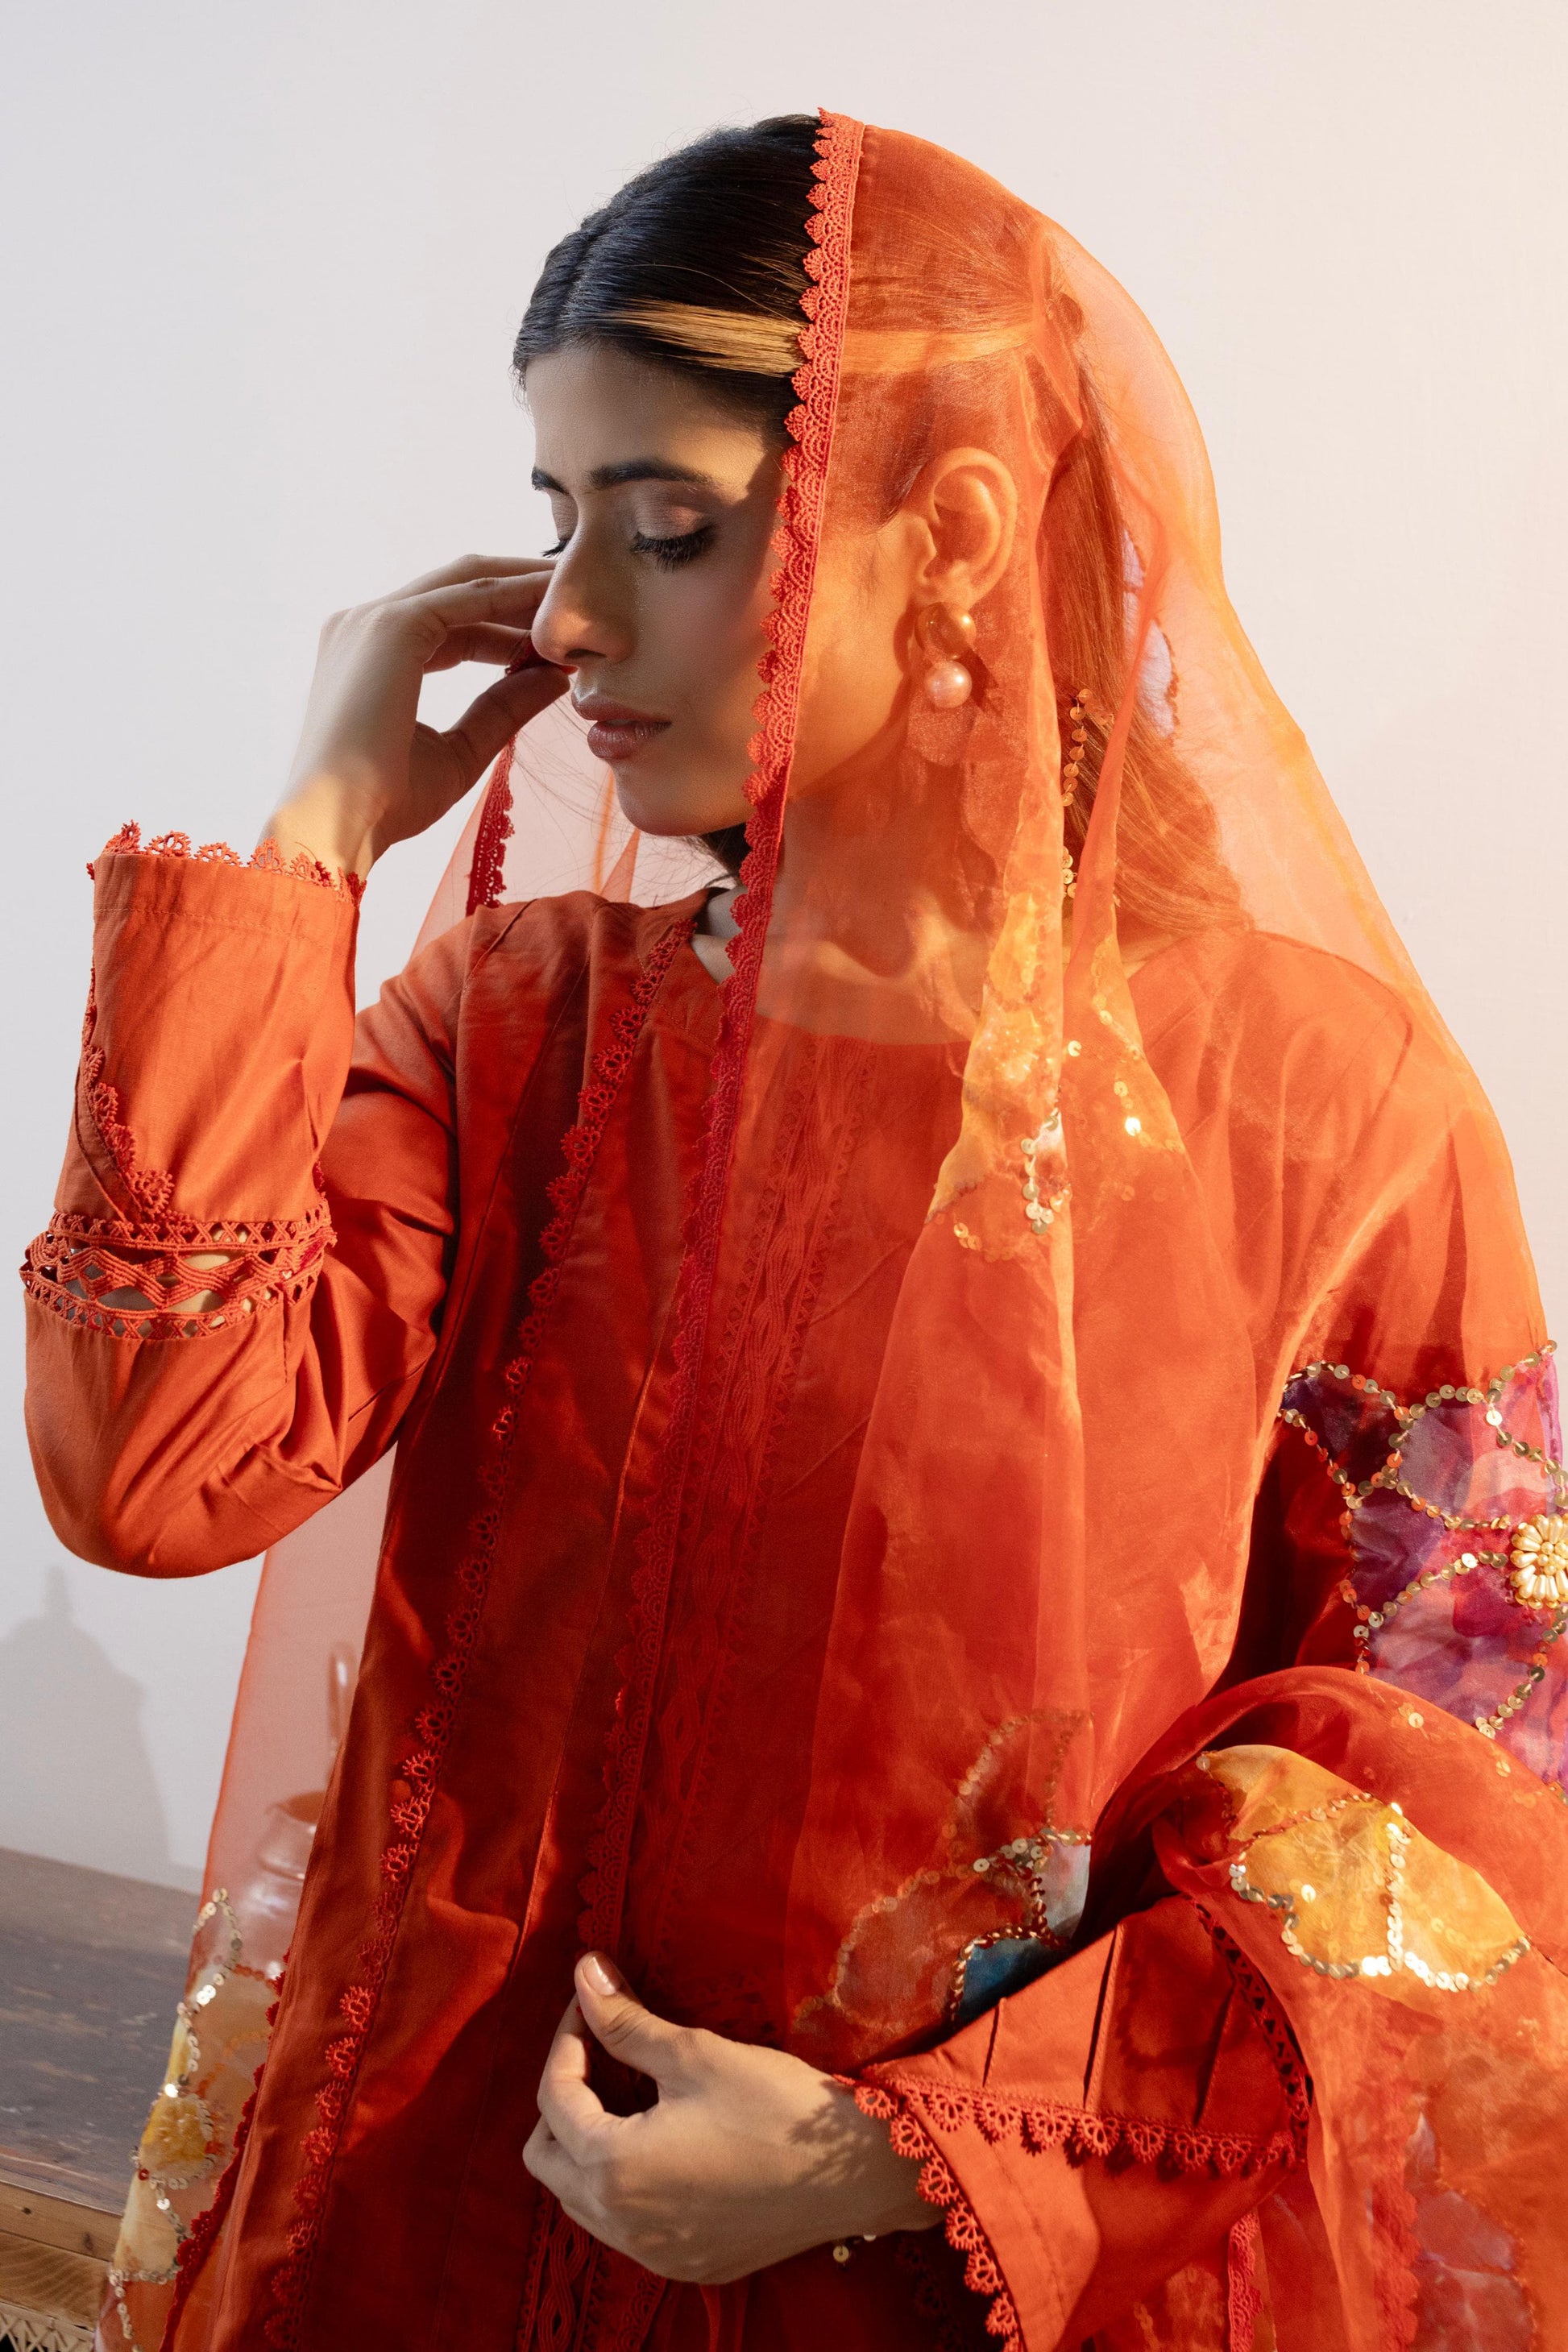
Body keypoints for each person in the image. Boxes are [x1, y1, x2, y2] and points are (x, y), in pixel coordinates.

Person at [25, 110, 1568, 2352]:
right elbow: (158, 1472)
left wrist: (891, 2156)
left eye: (666, 527)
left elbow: (1468, 1757)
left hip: (960, 2267)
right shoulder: (524, 1029)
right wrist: (319, 825)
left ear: (954, 533)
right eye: (556, 518)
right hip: (439, 2207)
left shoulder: (1309, 1106)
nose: (567, 617)